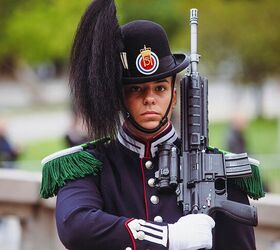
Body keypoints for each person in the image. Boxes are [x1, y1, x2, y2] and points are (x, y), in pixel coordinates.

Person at [40, 0, 264, 249]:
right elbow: (75, 226)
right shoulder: (89, 166)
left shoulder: (217, 168)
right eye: (136, 89)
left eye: (160, 88)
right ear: (119, 96)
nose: (150, 99)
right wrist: (167, 237)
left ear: (174, 96)